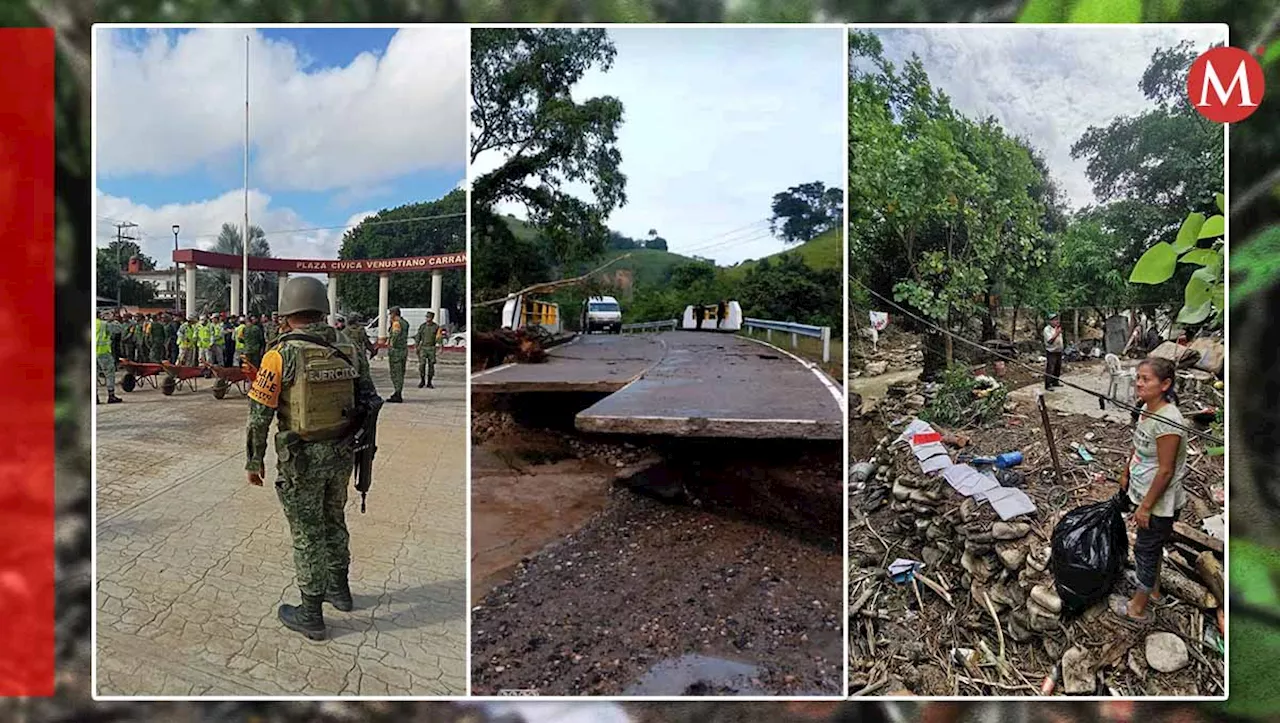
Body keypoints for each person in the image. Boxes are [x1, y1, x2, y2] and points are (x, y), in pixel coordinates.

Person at [245, 276, 380, 641]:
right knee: (334, 520)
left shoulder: (280, 354)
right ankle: (340, 591)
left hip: (301, 459)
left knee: (307, 533)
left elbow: (260, 414)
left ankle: (311, 613)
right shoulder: (350, 346)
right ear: (322, 308)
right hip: (341, 454)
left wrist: (254, 460)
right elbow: (369, 399)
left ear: (286, 313)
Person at [1112, 356, 1188, 624]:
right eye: (1138, 378)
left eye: (1146, 379)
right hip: (1143, 489)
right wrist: (1125, 473)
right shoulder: (1147, 409)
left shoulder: (1169, 420)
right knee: (1150, 547)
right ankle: (1153, 590)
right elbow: (1138, 445)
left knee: (1145, 550)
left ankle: (1138, 608)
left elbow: (1166, 470)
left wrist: (1146, 507)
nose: (1139, 383)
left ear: (1165, 384)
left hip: (1159, 501)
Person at [96, 312, 123, 404]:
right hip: (102, 352)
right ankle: (111, 396)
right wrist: (113, 320)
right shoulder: (103, 324)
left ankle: (95, 398)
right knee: (109, 374)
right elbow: (119, 329)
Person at [386, 306, 408, 403]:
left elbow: (395, 335)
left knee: (396, 373)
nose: (390, 316)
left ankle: (397, 393)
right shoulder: (405, 323)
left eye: (391, 314)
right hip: (403, 350)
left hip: (396, 352)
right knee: (401, 373)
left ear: (394, 314)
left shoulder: (396, 324)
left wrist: (391, 345)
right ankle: (397, 392)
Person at [414, 311, 440, 389]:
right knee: (422, 365)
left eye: (429, 317)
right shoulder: (422, 326)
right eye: (427, 317)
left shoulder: (436, 327)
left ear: (432, 318)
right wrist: (417, 345)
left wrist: (440, 346)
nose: (427, 319)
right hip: (423, 347)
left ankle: (429, 382)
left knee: (431, 365)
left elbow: (438, 337)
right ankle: (422, 380)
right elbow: (418, 336)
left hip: (431, 348)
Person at [1043, 313, 1063, 389]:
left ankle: (1055, 381)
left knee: (1058, 367)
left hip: (1058, 350)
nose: (1056, 321)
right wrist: (1057, 334)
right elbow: (1050, 341)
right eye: (1054, 320)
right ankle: (1048, 384)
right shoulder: (1047, 329)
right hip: (1051, 351)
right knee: (1050, 368)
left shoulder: (1057, 328)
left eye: (1057, 319)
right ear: (1050, 321)